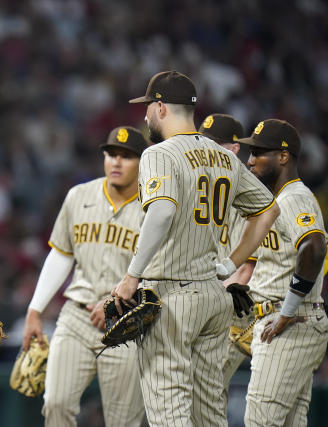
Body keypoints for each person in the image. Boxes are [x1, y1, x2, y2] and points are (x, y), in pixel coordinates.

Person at [111, 71, 280, 426]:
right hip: (214, 295)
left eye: (147, 108)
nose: (144, 116)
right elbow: (268, 210)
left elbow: (161, 211)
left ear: (160, 107)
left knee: (168, 410)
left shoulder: (159, 153)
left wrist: (131, 276)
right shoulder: (226, 159)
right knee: (209, 414)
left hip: (171, 294)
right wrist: (229, 264)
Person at [22, 126, 148, 427]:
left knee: (123, 421)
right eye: (111, 154)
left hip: (126, 323)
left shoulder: (154, 207)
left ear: (142, 162)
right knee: (55, 404)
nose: (116, 162)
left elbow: (161, 273)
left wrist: (119, 301)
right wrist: (35, 309)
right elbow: (62, 254)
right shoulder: (79, 196)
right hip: (77, 317)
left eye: (126, 157)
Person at [237, 119, 328, 427]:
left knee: (260, 422)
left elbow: (314, 249)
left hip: (290, 323)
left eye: (259, 152)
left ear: (283, 157)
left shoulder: (295, 197)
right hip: (287, 321)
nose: (250, 160)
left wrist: (286, 312)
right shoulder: (276, 201)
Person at [199, 114, 256, 404]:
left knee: (204, 396)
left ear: (233, 150)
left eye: (212, 145)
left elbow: (246, 269)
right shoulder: (202, 190)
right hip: (204, 310)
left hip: (231, 316)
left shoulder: (247, 196)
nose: (203, 152)